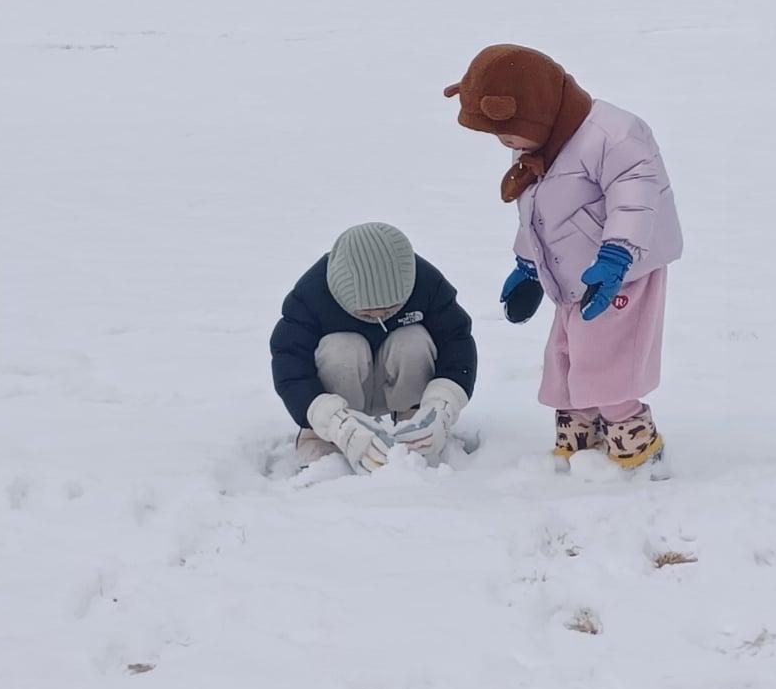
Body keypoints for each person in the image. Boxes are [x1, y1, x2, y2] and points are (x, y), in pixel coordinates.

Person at [444, 45, 682, 470]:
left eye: (507, 135)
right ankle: (583, 426)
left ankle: (634, 438)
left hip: (624, 270)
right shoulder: (538, 137)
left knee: (608, 355)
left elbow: (636, 201)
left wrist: (615, 256)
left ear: (532, 111)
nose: (506, 145)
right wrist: (528, 266)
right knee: (566, 351)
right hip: (570, 271)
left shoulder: (616, 135)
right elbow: (537, 212)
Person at [271, 222, 477, 473]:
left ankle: (415, 425)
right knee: (341, 347)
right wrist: (327, 416)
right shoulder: (310, 295)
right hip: (341, 384)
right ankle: (327, 436)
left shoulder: (427, 284)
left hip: (402, 380)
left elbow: (456, 342)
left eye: (390, 310)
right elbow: (290, 364)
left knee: (413, 339)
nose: (380, 316)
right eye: (368, 312)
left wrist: (443, 404)